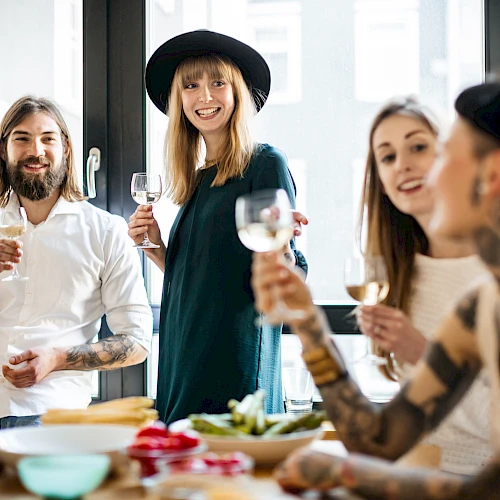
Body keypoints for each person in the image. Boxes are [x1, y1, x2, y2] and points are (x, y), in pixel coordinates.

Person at [251, 81, 500, 499]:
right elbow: (378, 442)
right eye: (387, 157)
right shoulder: (478, 305)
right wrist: (306, 321)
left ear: (490, 176)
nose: (424, 174)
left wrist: (349, 474)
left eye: (442, 157)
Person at [128, 30, 307, 425]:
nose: (204, 97)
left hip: (233, 363)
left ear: (237, 92)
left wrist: (284, 251)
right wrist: (157, 248)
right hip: (184, 356)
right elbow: (202, 278)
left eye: (217, 83)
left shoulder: (264, 164)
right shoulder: (198, 180)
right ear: (179, 101)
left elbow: (284, 273)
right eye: (190, 86)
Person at [352, 97, 491, 473]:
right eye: (387, 157)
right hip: (418, 472)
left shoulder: (490, 272)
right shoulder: (399, 273)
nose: (404, 166)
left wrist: (424, 355)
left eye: (418, 147)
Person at [0, 95, 153, 428]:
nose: (35, 151)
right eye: (21, 138)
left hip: (49, 413)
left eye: (47, 139)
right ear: (4, 150)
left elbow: (137, 341)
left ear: (66, 148)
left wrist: (57, 358)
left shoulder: (105, 231)